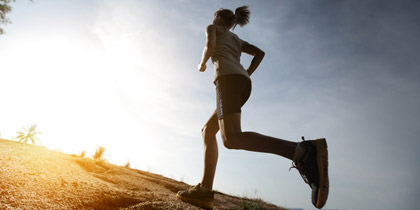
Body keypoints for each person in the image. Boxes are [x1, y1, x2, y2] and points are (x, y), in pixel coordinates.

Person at [176, 6, 329, 210]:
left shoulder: (213, 28)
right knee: (208, 130)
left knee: (231, 138)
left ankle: (302, 151)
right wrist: (246, 72)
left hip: (228, 81)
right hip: (242, 83)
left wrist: (202, 63)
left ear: (217, 18)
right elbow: (259, 53)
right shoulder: (237, 40)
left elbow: (209, 44)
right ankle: (204, 191)